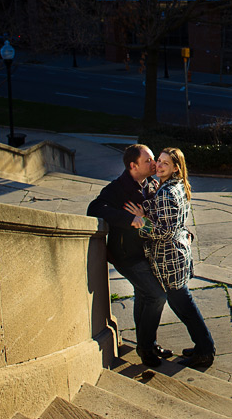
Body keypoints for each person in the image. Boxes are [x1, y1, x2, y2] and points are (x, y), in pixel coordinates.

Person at [125, 147, 215, 368]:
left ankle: (205, 351)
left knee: (185, 307)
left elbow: (165, 231)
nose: (159, 165)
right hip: (176, 256)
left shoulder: (166, 192)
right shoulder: (175, 185)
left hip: (169, 260)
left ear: (176, 167)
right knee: (185, 305)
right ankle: (203, 346)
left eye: (166, 163)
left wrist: (141, 221)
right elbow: (166, 214)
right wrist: (146, 209)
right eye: (159, 160)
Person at [87, 144, 172, 368]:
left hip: (146, 253)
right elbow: (94, 208)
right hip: (127, 256)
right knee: (157, 296)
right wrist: (128, 219)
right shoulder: (118, 188)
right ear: (133, 166)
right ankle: (145, 348)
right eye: (148, 161)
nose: (154, 163)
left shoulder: (151, 183)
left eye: (153, 159)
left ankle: (148, 344)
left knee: (144, 296)